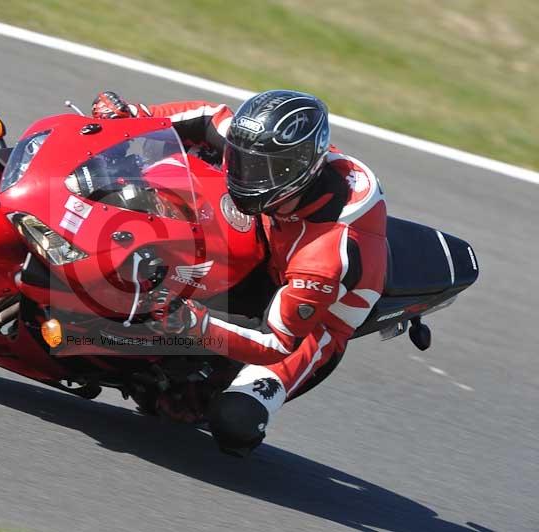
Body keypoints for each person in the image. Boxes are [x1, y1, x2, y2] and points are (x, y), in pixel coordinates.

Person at [91, 90, 388, 456]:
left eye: (260, 169)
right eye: (243, 161)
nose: (246, 174)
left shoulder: (325, 256)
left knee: (234, 421)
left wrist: (193, 324)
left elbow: (276, 341)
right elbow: (209, 117)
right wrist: (134, 115)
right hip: (270, 241)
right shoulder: (273, 154)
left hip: (310, 321)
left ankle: (210, 392)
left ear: (301, 171)